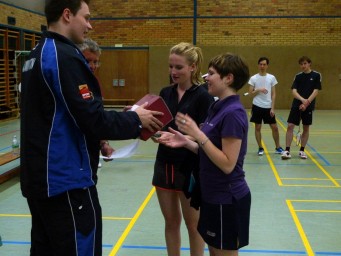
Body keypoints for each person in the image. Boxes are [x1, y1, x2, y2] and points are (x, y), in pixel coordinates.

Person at [20, 1, 163, 255]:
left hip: (40, 180)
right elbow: (92, 119)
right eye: (86, 18)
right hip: (66, 182)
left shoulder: (36, 54)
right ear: (67, 15)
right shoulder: (64, 57)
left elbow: (62, 118)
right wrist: (135, 119)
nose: (90, 25)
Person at [158, 52, 251, 256]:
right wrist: (185, 142)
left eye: (211, 73)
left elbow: (227, 163)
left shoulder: (233, 113)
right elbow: (208, 150)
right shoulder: (217, 107)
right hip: (211, 195)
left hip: (226, 197)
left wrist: (197, 135)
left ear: (228, 78)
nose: (206, 77)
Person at [152, 42, 214, 256]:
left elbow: (206, 139)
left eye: (178, 67)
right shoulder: (165, 93)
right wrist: (151, 131)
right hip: (164, 164)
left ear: (193, 67)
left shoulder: (203, 97)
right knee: (170, 222)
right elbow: (159, 128)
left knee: (193, 225)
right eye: (171, 67)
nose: (173, 72)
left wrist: (183, 138)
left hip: (190, 168)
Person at [78, 38, 114, 168]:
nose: (92, 66)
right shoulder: (71, 82)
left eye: (96, 62)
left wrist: (103, 143)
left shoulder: (94, 82)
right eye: (88, 61)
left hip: (91, 149)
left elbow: (98, 115)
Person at [281, 56, 322, 160]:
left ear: (309, 64)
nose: (303, 66)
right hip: (297, 105)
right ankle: (287, 151)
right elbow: (294, 91)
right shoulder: (298, 76)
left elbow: (316, 91)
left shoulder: (316, 75)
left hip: (308, 106)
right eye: (301, 64)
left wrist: (307, 102)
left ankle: (302, 151)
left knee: (306, 128)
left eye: (305, 63)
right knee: (290, 126)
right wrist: (302, 100)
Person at [248, 57, 283, 156]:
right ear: (258, 65)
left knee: (274, 127)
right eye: (260, 64)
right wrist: (258, 89)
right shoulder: (253, 78)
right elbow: (250, 93)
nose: (262, 66)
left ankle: (278, 147)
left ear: (267, 66)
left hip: (268, 107)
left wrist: (272, 108)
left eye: (264, 64)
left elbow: (273, 94)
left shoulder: (271, 78)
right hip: (257, 105)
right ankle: (260, 147)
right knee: (258, 127)